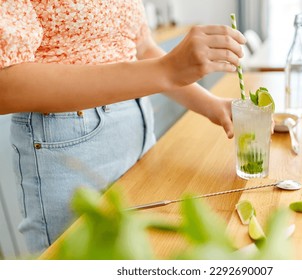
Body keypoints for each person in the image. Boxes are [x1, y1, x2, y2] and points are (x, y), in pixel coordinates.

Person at [0, 1, 245, 254]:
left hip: (138, 132)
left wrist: (211, 105)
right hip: (71, 147)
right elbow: (4, 86)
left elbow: (141, 47)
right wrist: (168, 69)